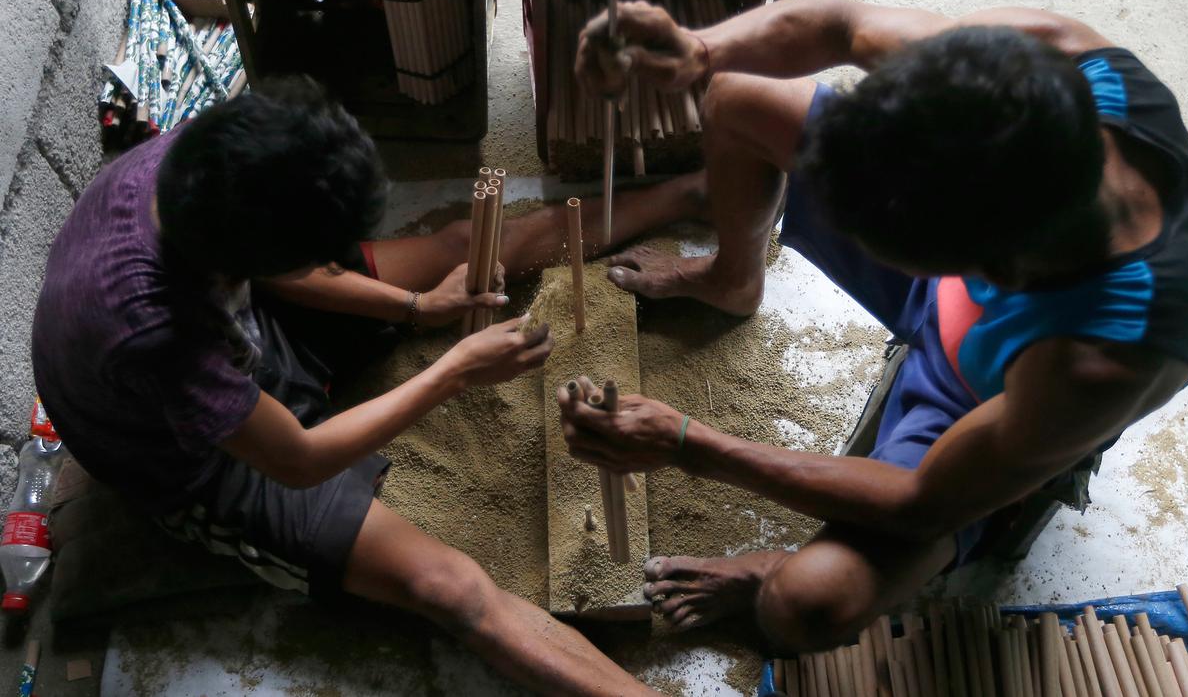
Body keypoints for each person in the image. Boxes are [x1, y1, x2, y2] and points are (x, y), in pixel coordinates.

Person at [561, 0, 1188, 652]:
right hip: (975, 274)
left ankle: (769, 575)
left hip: (978, 404)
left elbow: (920, 502)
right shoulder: (1024, 73)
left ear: (989, 267)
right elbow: (840, 26)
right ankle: (731, 280)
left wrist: (686, 444)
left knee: (806, 606)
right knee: (738, 94)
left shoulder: (1108, 356)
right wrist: (699, 50)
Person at [32, 77, 703, 695]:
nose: (334, 259)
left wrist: (415, 308)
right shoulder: (153, 329)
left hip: (242, 324)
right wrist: (456, 368)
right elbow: (297, 458)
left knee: (461, 248)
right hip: (200, 459)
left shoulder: (210, 161)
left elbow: (288, 274)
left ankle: (686, 192)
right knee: (450, 589)